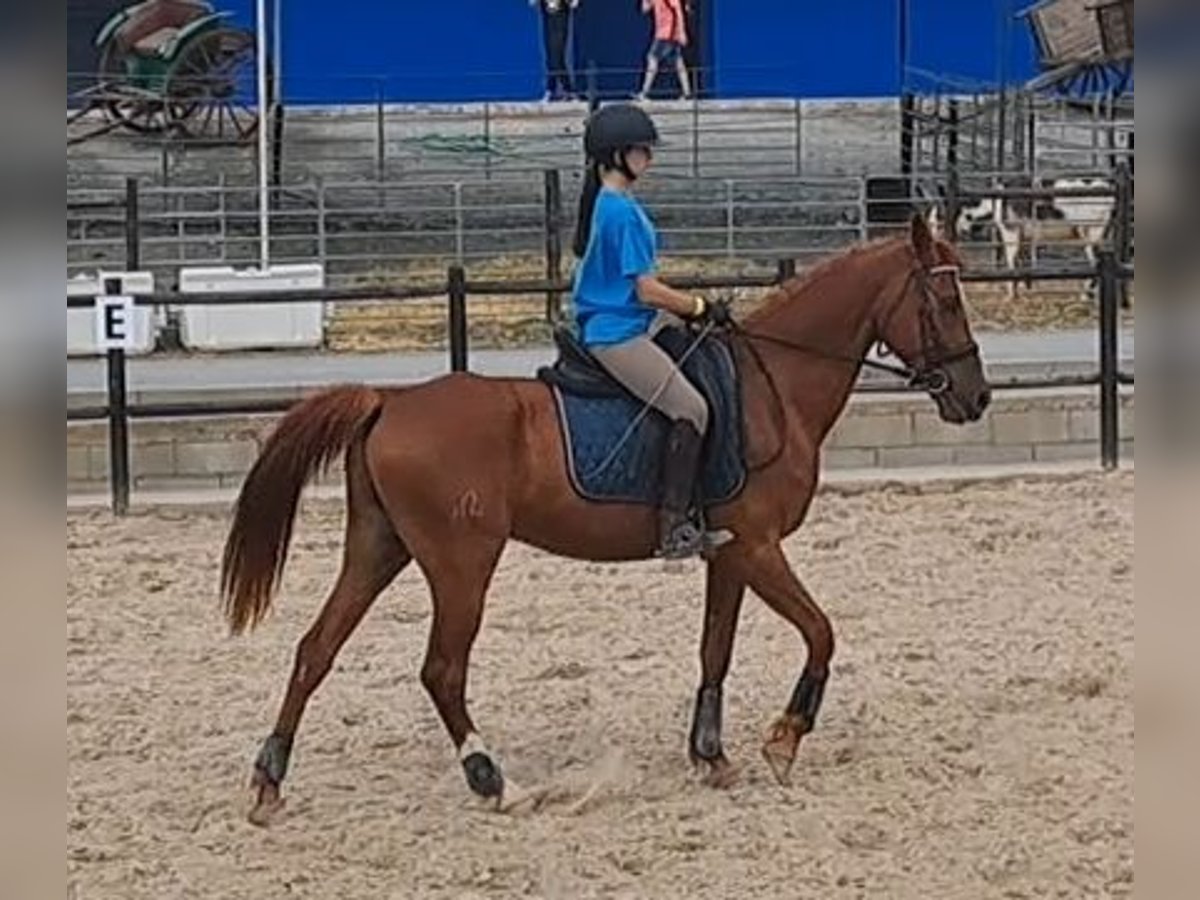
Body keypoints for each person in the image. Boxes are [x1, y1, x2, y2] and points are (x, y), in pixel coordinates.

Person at [570, 103, 731, 559]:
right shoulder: (619, 211)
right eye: (642, 150)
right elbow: (644, 290)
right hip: (616, 331)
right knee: (692, 408)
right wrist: (698, 305)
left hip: (631, 320)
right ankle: (674, 525)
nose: (649, 158)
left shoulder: (613, 202)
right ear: (617, 154)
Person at [636, 0, 691, 101]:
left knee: (652, 58)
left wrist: (682, 32)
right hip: (663, 34)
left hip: (667, 34)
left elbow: (678, 12)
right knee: (678, 62)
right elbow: (644, 9)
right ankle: (687, 93)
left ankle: (644, 93)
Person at [530, 0, 580, 102]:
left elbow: (575, 4)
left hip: (561, 23)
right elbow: (532, 3)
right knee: (551, 57)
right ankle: (564, 90)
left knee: (557, 56)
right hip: (549, 24)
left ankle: (558, 89)